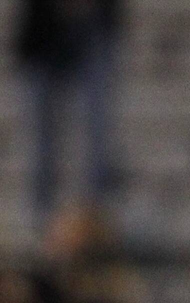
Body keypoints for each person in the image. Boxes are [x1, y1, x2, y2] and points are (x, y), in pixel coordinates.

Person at [15, 0, 121, 226]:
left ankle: (96, 207)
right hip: (42, 38)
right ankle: (43, 211)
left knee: (96, 129)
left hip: (90, 31)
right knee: (43, 137)